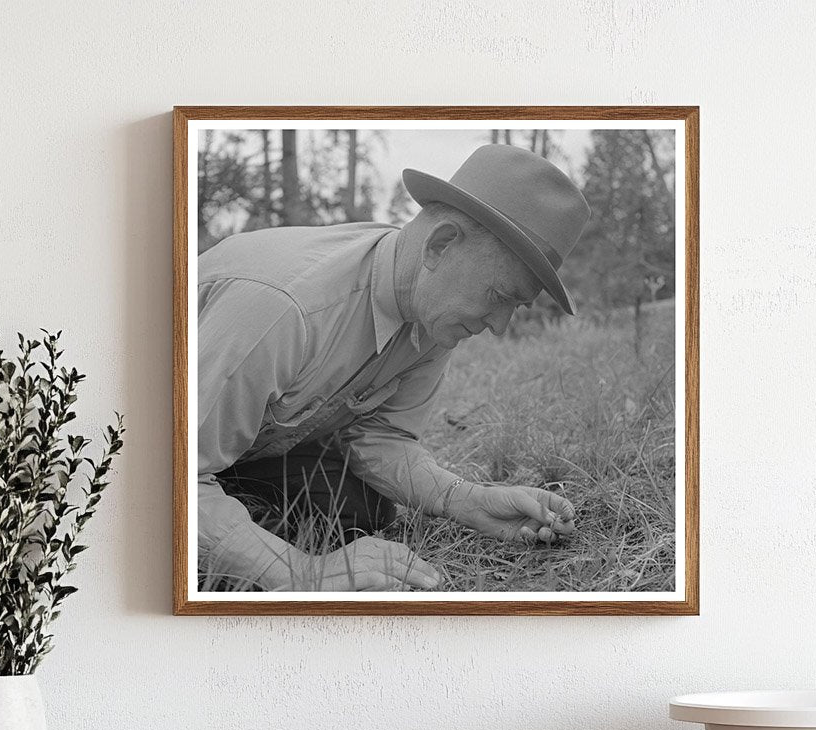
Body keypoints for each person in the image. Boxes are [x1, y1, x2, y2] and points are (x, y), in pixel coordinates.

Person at [197, 143, 591, 592]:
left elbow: (383, 438)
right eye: (501, 297)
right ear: (441, 244)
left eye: (515, 307)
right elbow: (167, 475)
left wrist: (469, 501)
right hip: (149, 441)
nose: (499, 326)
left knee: (357, 510)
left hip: (239, 444)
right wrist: (302, 572)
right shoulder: (285, 311)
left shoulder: (433, 312)